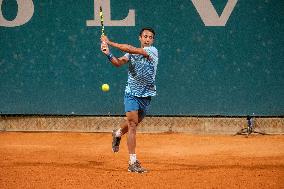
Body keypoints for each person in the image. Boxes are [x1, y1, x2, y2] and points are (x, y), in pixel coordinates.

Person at [100, 27, 158, 173]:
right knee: (132, 124)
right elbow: (118, 63)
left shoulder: (152, 51)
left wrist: (110, 42)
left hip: (146, 95)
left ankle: (118, 133)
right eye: (145, 36)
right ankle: (132, 162)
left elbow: (131, 49)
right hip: (131, 93)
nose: (147, 39)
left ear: (152, 40)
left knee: (134, 123)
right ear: (140, 38)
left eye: (150, 37)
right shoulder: (130, 53)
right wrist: (108, 54)